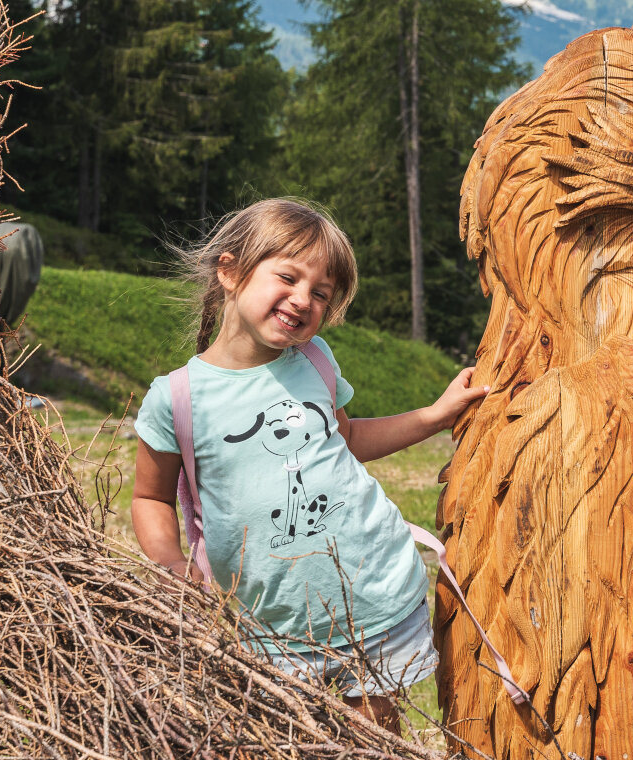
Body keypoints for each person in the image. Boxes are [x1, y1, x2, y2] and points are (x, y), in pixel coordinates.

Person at [130, 197, 488, 730]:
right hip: (271, 627)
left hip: (373, 601)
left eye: (320, 293)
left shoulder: (316, 361)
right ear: (229, 271)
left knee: (373, 738)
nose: (303, 299)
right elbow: (150, 496)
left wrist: (435, 416)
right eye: (289, 278)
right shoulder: (177, 398)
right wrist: (168, 561)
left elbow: (347, 438)